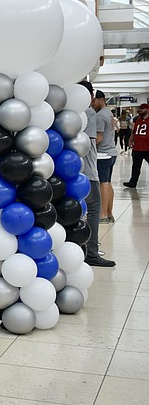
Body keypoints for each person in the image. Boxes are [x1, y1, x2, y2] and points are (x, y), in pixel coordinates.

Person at [77, 82, 116, 267]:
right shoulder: (90, 113)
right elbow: (91, 142)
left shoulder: (65, 112)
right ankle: (91, 253)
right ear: (91, 95)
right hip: (88, 172)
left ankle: (77, 249)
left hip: (68, 172)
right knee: (93, 211)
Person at [91, 90, 117, 223]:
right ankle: (109, 213)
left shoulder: (100, 115)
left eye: (94, 100)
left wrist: (89, 145)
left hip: (103, 154)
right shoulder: (109, 113)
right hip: (111, 153)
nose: (92, 102)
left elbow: (99, 137)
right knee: (108, 183)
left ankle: (102, 215)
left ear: (101, 99)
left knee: (103, 183)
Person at [124, 103, 149, 188]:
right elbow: (134, 131)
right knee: (135, 166)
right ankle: (133, 182)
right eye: (140, 109)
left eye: (142, 109)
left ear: (147, 109)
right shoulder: (138, 120)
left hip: (147, 148)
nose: (140, 110)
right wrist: (130, 139)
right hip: (137, 147)